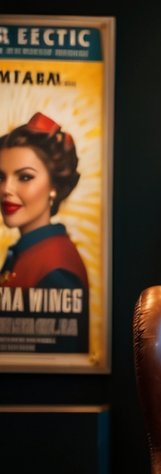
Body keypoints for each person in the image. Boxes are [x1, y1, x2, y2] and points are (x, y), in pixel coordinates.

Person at [0, 112, 89, 353]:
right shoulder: (28, 251)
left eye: (25, 177)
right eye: (1, 177)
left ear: (54, 187)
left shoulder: (57, 270)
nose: (6, 190)